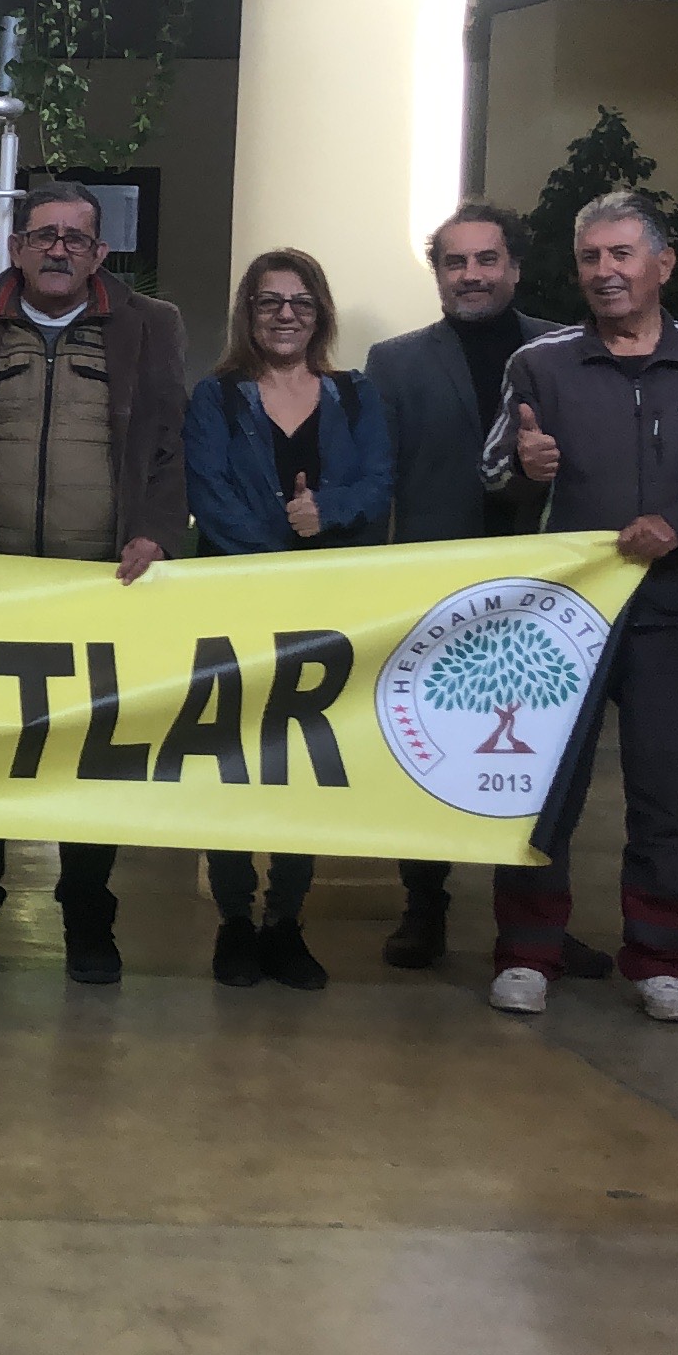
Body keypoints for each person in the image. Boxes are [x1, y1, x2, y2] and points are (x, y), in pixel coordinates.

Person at [483, 190, 678, 1022]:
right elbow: (494, 471)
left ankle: (661, 957)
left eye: (621, 254)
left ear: (662, 264)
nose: (605, 272)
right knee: (543, 786)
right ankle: (528, 951)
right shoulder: (539, 364)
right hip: (559, 625)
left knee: (671, 794)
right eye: (590, 258)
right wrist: (525, 469)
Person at [0, 180, 186, 985]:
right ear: (17, 248)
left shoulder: (153, 326)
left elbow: (170, 444)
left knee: (91, 759)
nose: (59, 249)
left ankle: (88, 918)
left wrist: (157, 533)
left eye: (75, 238)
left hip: (101, 588)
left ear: (100, 253)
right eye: (44, 236)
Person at [361, 204, 579, 976]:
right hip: (436, 589)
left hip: (546, 591)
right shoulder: (395, 362)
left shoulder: (567, 350)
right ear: (439, 274)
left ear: (514, 267)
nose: (472, 275)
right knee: (432, 755)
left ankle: (540, 922)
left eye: (487, 260)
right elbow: (378, 480)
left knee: (543, 760)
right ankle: (424, 908)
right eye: (456, 262)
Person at [181, 249, 395, 993]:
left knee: (304, 764)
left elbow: (378, 483)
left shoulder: (356, 394)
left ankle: (286, 920)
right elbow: (209, 496)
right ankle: (235, 920)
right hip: (235, 605)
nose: (285, 315)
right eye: (269, 301)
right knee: (234, 762)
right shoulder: (215, 398)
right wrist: (287, 549)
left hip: (326, 613)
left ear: (320, 314)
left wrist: (324, 512)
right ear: (248, 313)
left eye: (300, 302)